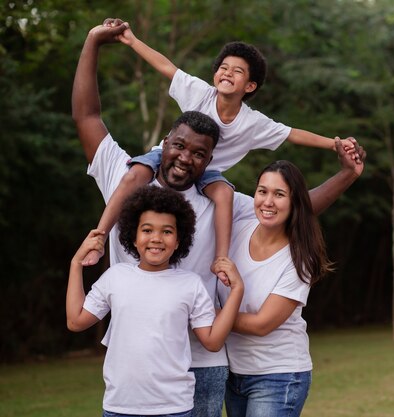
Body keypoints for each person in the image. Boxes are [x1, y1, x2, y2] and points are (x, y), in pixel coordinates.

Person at [72, 22, 365, 417]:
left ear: (211, 160)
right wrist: (92, 42)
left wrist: (346, 173)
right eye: (177, 147)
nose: (184, 158)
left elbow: (295, 208)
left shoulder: (219, 196)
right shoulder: (125, 178)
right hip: (133, 366)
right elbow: (87, 115)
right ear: (164, 144)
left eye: (198, 154)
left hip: (202, 362)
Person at [82, 18, 358, 286]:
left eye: (237, 71)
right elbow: (166, 66)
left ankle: (221, 258)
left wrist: (334, 143)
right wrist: (131, 40)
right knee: (134, 175)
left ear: (250, 86)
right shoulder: (200, 93)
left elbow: (293, 134)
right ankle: (98, 235)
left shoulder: (253, 122)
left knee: (224, 194)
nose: (227, 72)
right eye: (223, 67)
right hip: (160, 157)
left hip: (207, 173)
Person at [66, 185, 244, 416]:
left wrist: (237, 289)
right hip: (119, 407)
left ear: (179, 240)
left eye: (167, 232)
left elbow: (212, 342)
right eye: (147, 230)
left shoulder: (191, 284)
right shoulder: (116, 277)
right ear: (134, 235)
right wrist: (75, 264)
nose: (156, 239)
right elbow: (75, 321)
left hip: (174, 407)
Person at [216, 160, 332, 417]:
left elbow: (261, 324)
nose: (267, 201)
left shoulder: (299, 258)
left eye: (279, 194)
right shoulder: (238, 227)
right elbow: (213, 186)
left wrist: (209, 315)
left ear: (294, 203)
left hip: (278, 376)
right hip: (233, 373)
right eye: (262, 191)